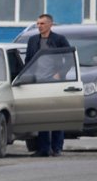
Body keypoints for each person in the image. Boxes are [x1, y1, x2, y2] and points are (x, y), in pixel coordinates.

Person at [25, 13, 71, 157]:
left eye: (42, 23)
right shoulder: (33, 40)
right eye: (38, 23)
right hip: (38, 83)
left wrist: (60, 74)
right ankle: (44, 149)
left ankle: (57, 148)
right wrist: (27, 77)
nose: (39, 26)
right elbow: (28, 60)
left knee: (56, 115)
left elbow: (69, 58)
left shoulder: (59, 39)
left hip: (54, 82)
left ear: (50, 24)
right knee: (42, 116)